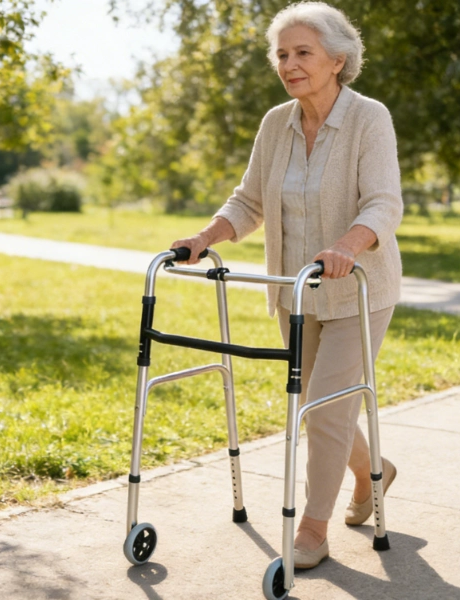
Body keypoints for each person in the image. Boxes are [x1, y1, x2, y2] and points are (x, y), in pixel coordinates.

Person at [170, 1, 403, 569]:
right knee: (320, 407)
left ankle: (313, 528)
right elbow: (249, 200)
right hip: (294, 292)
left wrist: (347, 247)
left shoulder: (369, 118)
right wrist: (206, 237)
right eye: (282, 54)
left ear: (337, 61)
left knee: (321, 408)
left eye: (303, 53)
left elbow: (383, 202)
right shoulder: (277, 123)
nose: (289, 64)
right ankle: (375, 470)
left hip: (358, 289)